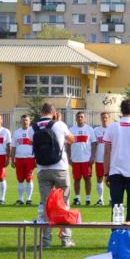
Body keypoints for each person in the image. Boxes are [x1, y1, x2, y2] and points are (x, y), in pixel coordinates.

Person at [34, 103, 75, 249]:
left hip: (42, 169)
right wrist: (59, 121)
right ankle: (66, 239)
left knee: (46, 205)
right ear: (54, 113)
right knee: (64, 203)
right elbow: (72, 139)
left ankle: (45, 241)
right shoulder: (59, 124)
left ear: (41, 112)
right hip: (60, 168)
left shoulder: (35, 126)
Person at [103, 99, 130, 229]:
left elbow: (106, 152)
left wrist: (106, 173)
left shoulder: (112, 127)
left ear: (121, 111)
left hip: (115, 172)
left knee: (116, 207)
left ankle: (116, 238)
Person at [69, 112, 96, 206]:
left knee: (87, 179)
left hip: (86, 160)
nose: (80, 118)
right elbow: (68, 145)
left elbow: (93, 144)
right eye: (78, 117)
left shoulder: (89, 129)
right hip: (75, 159)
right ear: (75, 119)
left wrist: (92, 156)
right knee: (76, 180)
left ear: (85, 119)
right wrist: (69, 156)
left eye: (81, 117)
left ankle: (88, 199)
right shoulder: (71, 130)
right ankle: (77, 198)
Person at [10, 114, 35, 205]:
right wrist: (12, 159)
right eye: (23, 120)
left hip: (30, 158)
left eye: (27, 120)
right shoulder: (16, 132)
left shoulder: (33, 132)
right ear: (20, 122)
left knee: (29, 179)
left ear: (29, 121)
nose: (25, 122)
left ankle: (28, 199)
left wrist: (36, 159)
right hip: (19, 158)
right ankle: (20, 199)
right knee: (20, 179)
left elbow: (37, 146)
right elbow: (13, 147)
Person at [91, 112, 111, 206]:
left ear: (109, 118)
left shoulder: (113, 129)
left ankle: (111, 198)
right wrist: (93, 156)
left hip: (111, 159)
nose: (104, 119)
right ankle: (100, 199)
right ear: (100, 118)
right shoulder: (96, 130)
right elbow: (94, 144)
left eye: (106, 117)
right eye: (103, 118)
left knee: (112, 179)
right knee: (99, 178)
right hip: (99, 159)